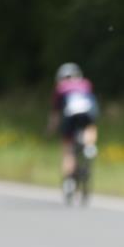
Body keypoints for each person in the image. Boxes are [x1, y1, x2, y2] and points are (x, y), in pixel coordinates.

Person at [47, 62, 98, 198]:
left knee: (68, 149)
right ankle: (89, 146)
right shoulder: (86, 83)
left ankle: (68, 181)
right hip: (88, 110)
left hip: (70, 114)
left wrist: (51, 130)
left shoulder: (60, 88)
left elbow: (55, 115)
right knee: (90, 126)